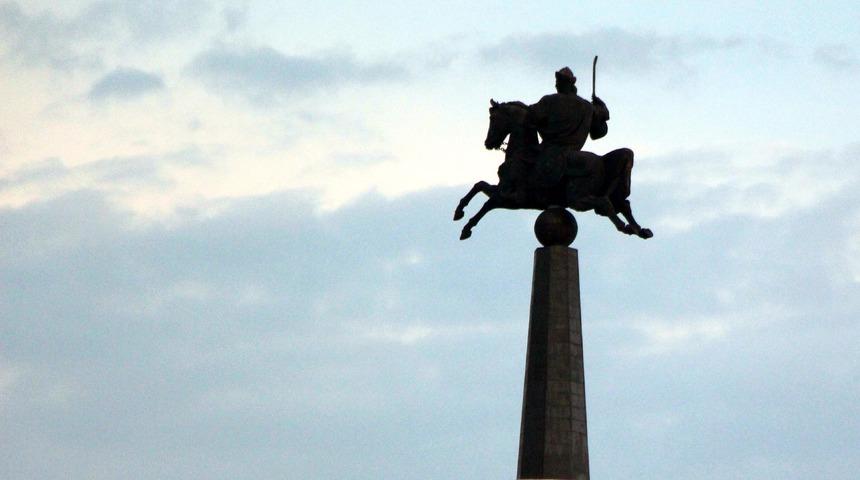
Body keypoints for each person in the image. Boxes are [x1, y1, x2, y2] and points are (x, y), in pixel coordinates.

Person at [526, 67, 610, 206]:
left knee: (522, 168)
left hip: (549, 154)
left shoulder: (550, 101)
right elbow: (598, 133)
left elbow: (530, 117)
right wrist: (601, 110)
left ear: (564, 83)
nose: (556, 84)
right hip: (572, 154)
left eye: (558, 81)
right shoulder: (587, 107)